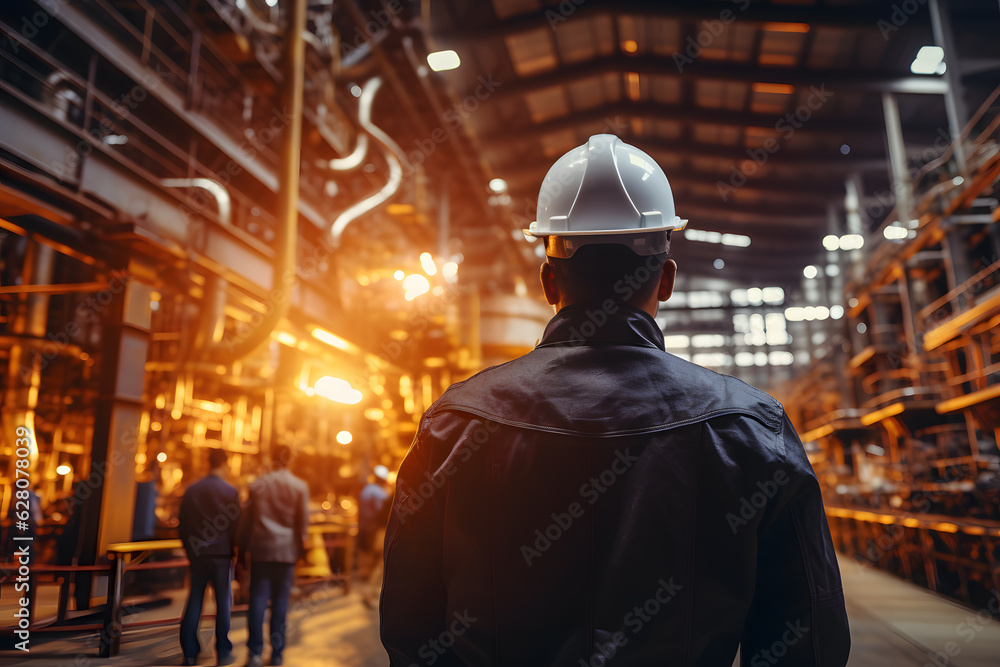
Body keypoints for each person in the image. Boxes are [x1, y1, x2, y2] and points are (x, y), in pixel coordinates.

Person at [380, 135, 851, 665]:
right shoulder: (750, 428)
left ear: (547, 280)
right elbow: (808, 638)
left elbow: (409, 624)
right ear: (666, 279)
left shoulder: (455, 424)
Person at [237, 444, 310, 667]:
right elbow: (302, 524)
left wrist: (241, 551)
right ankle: (277, 653)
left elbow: (246, 522)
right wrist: (301, 551)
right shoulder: (299, 486)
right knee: (280, 603)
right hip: (286, 552)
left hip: (261, 550)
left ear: (272, 458)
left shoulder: (257, 485)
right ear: (290, 460)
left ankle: (255, 653)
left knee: (257, 601)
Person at [178, 448, 239, 666]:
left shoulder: (192, 489)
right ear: (225, 463)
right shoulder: (230, 491)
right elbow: (235, 527)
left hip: (198, 553)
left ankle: (190, 651)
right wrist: (233, 552)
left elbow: (182, 524)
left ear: (208, 463)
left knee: (195, 597)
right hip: (221, 554)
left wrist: (190, 549)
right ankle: (222, 649)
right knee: (223, 601)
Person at [357, 465, 392, 607]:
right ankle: (369, 593)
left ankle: (370, 590)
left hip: (365, 527)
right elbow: (381, 513)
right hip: (377, 530)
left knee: (373, 561)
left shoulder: (366, 489)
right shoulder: (382, 494)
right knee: (380, 564)